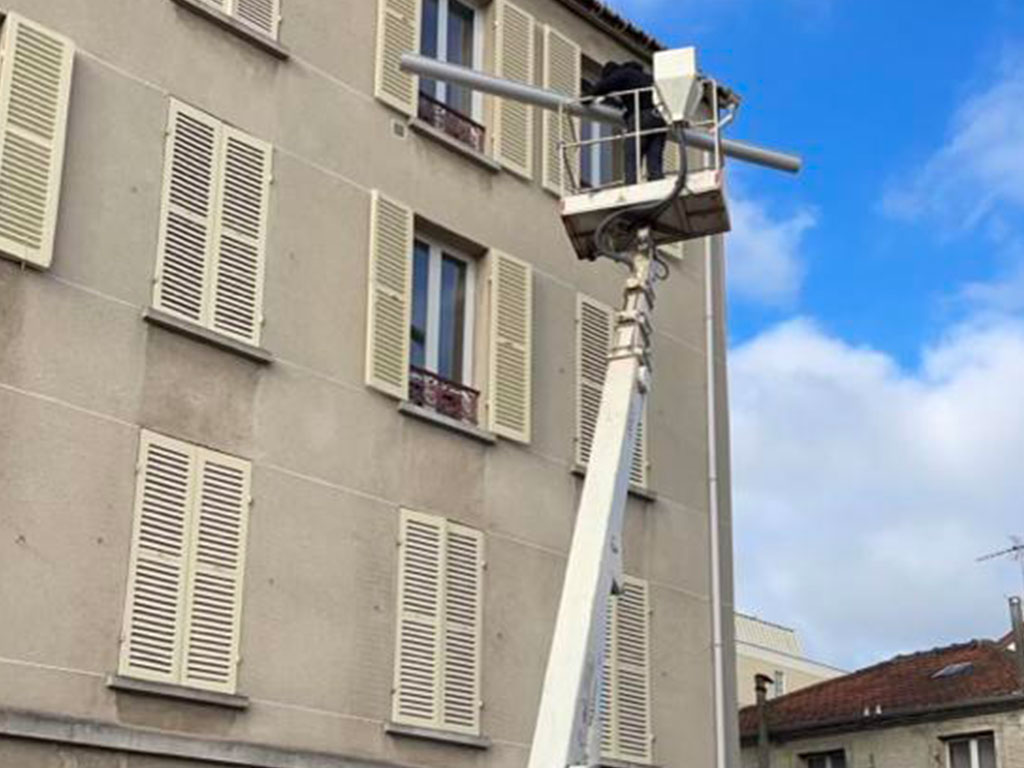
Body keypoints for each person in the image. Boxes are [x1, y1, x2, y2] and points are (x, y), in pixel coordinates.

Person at [589, 61, 666, 184]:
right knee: (654, 157)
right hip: (660, 118)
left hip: (642, 117)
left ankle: (631, 184)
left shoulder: (624, 74)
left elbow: (602, 87)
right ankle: (657, 181)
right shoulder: (647, 78)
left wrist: (586, 97)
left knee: (632, 152)